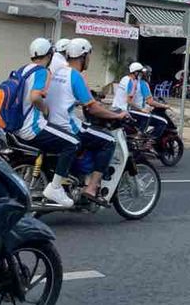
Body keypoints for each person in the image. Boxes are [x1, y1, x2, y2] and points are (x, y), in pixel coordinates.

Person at [48, 38, 130, 201]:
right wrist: (116, 115)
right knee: (108, 141)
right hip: (69, 126)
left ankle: (81, 176)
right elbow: (92, 107)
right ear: (83, 56)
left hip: (53, 123)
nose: (89, 60)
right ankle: (92, 187)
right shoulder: (75, 76)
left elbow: (66, 96)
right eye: (89, 56)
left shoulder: (57, 72)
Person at [13, 38, 74, 210]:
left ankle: (49, 177)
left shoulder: (23, 69)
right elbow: (34, 97)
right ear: (49, 54)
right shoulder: (42, 71)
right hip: (32, 127)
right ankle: (55, 188)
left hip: (17, 126)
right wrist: (45, 109)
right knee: (73, 143)